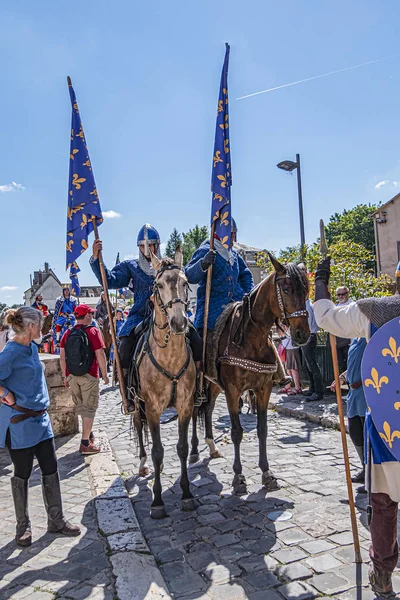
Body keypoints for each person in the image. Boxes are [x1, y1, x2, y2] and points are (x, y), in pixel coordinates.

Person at [314, 256, 400, 597]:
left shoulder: (376, 312)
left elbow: (325, 316)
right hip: (385, 431)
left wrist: (321, 278)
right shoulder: (375, 310)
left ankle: (382, 576)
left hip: (387, 436)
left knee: (383, 505)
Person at [90, 223, 205, 408]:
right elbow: (110, 280)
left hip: (169, 315)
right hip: (141, 315)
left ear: (157, 246)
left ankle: (198, 387)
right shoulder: (131, 266)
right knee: (125, 347)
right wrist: (96, 259)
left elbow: (186, 276)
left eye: (150, 245)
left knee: (196, 340)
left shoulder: (168, 265)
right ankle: (129, 393)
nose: (147, 249)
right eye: (143, 246)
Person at [0, 307, 80, 546]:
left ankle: (56, 520)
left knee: (50, 468)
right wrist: (5, 393)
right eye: (41, 323)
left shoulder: (32, 348)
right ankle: (22, 528)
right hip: (19, 425)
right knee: (22, 474)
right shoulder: (10, 353)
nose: (43, 327)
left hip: (41, 421)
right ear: (31, 327)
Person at [185, 218, 254, 333]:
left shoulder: (234, 255)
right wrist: (203, 263)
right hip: (211, 313)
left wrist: (249, 293)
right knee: (198, 346)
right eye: (231, 234)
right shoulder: (205, 250)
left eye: (234, 234)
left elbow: (245, 274)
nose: (233, 238)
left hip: (238, 307)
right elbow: (189, 275)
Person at [59, 304, 109, 455]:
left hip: (72, 375)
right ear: (86, 316)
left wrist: (65, 376)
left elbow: (62, 358)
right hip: (89, 374)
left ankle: (89, 433)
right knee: (90, 408)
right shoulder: (92, 331)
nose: (92, 317)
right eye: (91, 314)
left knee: (81, 406)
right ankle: (85, 443)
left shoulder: (67, 333)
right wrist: (105, 375)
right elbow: (100, 354)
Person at [330, 337, 368, 487]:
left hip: (365, 392)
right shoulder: (355, 340)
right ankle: (365, 468)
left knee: (368, 437)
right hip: (353, 394)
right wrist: (342, 377)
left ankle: (373, 475)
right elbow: (353, 365)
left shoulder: (369, 338)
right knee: (355, 433)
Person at [301, 297, 324, 401]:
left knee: (312, 365)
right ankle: (312, 388)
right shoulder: (308, 304)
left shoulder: (307, 306)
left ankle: (318, 392)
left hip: (309, 336)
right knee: (308, 365)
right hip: (309, 336)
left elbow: (309, 323)